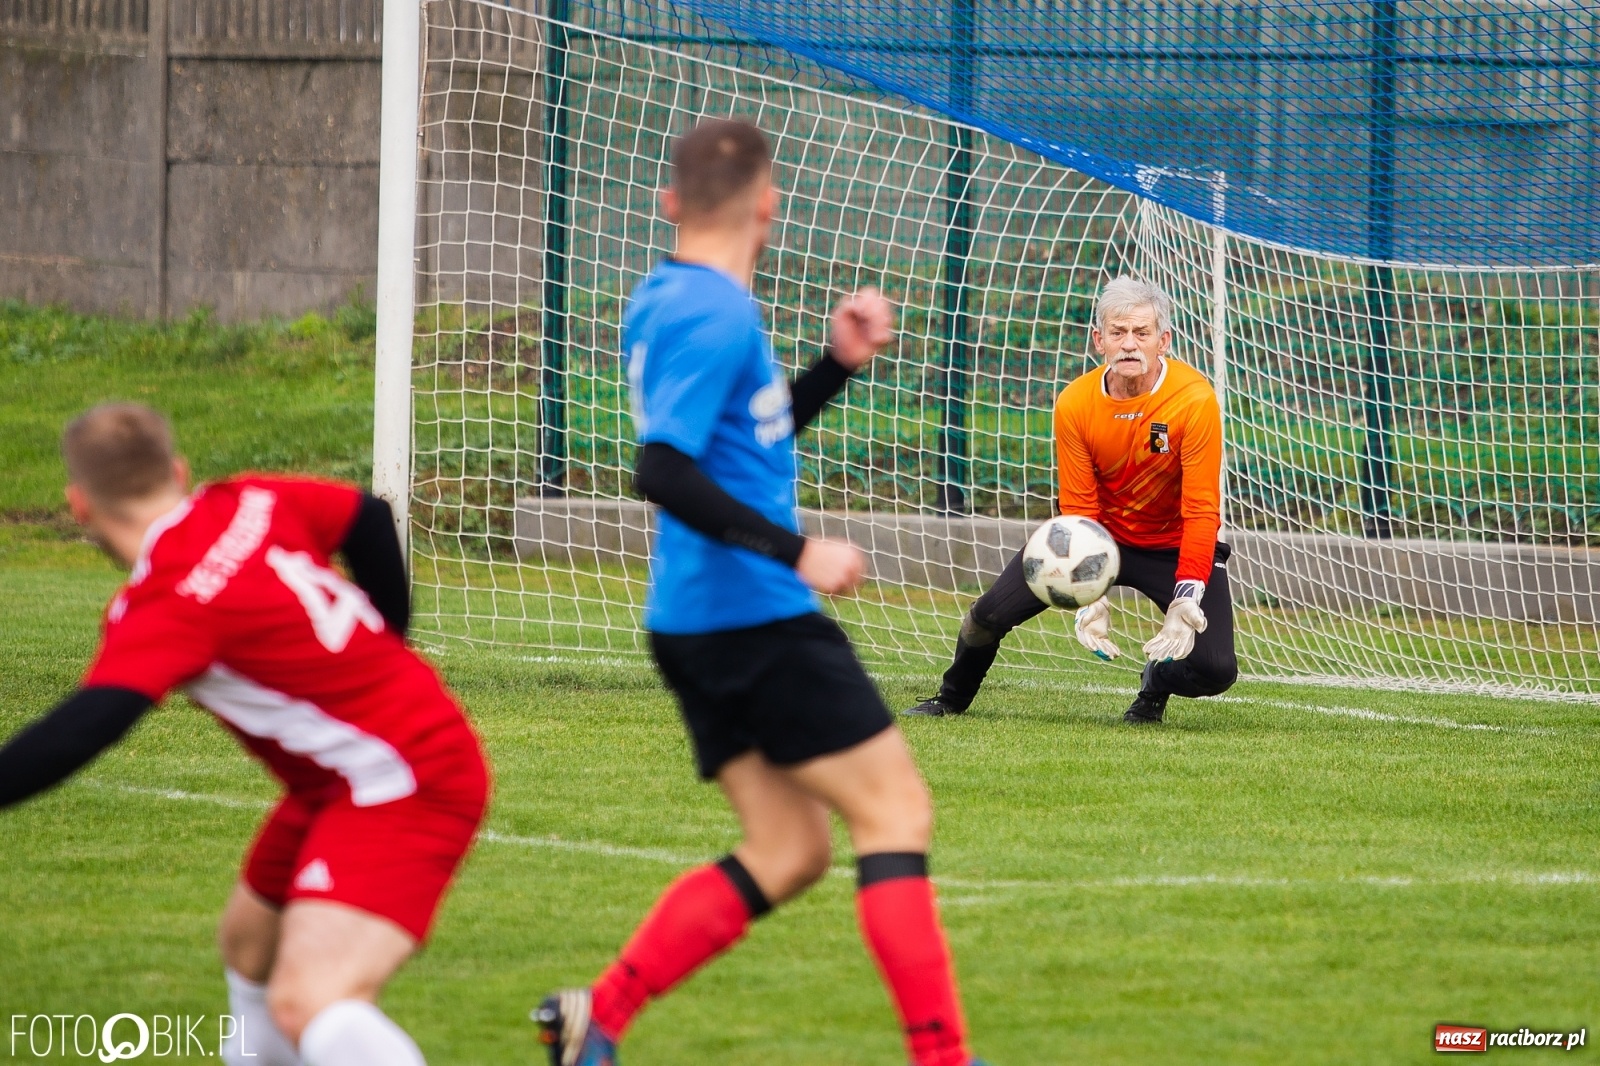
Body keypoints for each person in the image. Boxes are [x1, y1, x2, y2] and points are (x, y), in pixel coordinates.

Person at [534, 119, 985, 1066]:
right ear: (769, 206)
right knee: (895, 814)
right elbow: (662, 470)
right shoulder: (718, 314)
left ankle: (595, 1018)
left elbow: (746, 438)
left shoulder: (670, 295)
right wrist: (798, 552)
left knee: (790, 851)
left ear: (670, 202)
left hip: (695, 621)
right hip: (753, 616)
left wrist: (834, 368)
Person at [0, 404, 490, 1066]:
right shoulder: (250, 498)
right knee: (249, 945)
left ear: (79, 505)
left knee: (310, 1002)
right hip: (342, 778)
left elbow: (84, 727)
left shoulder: (163, 605)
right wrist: (388, 647)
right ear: (178, 471)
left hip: (401, 779)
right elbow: (368, 518)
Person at [904, 276, 1238, 724]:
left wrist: (1187, 595)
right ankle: (950, 698)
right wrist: (1087, 595)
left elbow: (1201, 511)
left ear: (1164, 341)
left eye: (1142, 333)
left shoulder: (1194, 400)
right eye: (1118, 332)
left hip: (1172, 544)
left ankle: (1155, 682)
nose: (1129, 344)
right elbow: (1080, 506)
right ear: (1099, 340)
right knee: (987, 615)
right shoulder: (1075, 403)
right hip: (1095, 537)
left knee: (1216, 670)